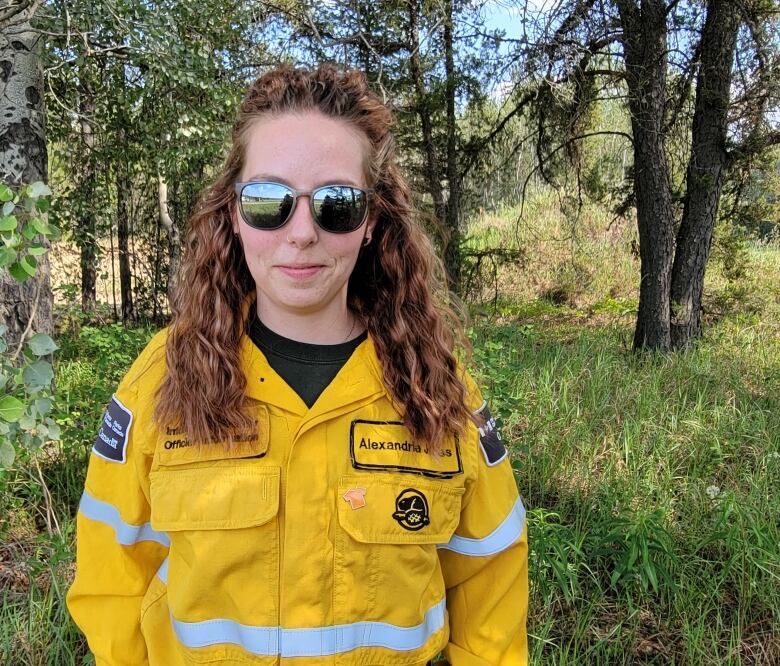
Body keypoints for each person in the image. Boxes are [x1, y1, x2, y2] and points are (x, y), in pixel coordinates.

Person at [67, 64, 528, 666]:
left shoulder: (436, 388)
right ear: (234, 214)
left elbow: (490, 578)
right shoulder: (162, 380)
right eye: (269, 201)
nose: (302, 232)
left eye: (336, 204)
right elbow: (112, 576)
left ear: (370, 224)